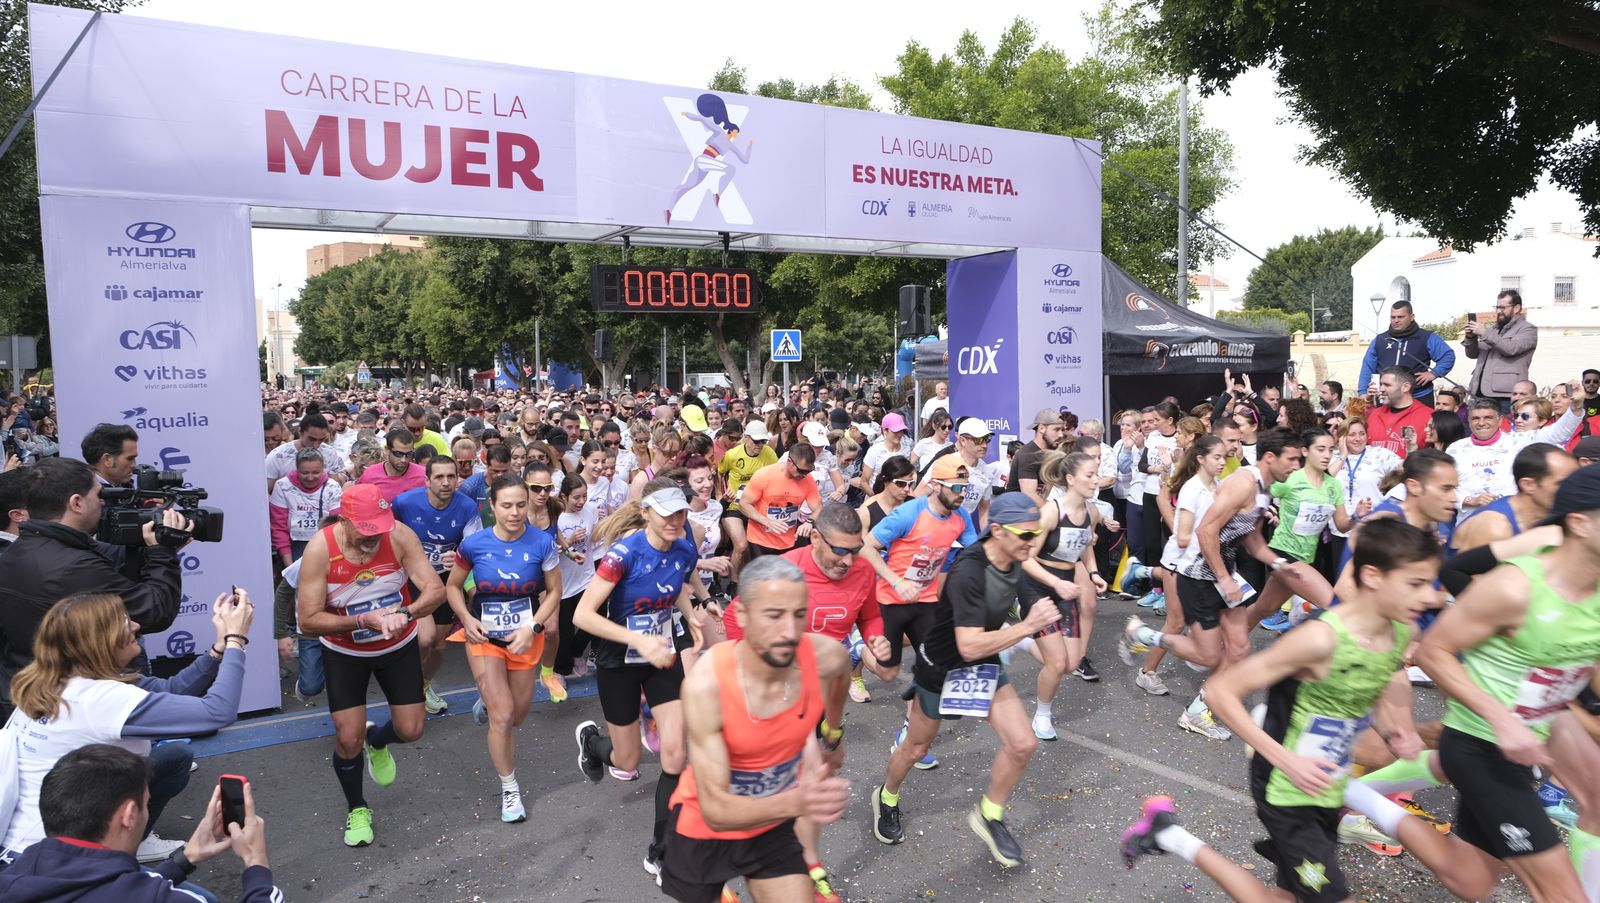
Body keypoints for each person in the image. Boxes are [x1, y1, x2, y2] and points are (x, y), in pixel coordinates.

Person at [1120, 520, 1479, 903]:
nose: (1430, 597)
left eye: (1431, 583)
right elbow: (1222, 692)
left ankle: (1166, 834)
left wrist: (1397, 731)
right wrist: (1287, 760)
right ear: (1373, 576)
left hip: (1326, 783)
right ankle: (1167, 834)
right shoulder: (1319, 639)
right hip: (1286, 786)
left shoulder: (1400, 632)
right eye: (1416, 584)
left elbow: (1380, 684)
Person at [1356, 466, 1600, 901]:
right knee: (1562, 895)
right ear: (1580, 523)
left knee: (1470, 881)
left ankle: (1355, 793)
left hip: (1538, 732)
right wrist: (1501, 721)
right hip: (1482, 743)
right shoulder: (1516, 587)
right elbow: (1433, 651)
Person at [869, 493, 1060, 868]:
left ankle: (990, 814)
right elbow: (968, 645)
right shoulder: (969, 571)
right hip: (942, 666)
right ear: (999, 532)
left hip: (982, 660)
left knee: (1022, 743)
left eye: (1036, 533)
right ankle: (886, 797)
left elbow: (1000, 613)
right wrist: (1027, 627)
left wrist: (1041, 633)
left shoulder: (1013, 556)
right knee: (916, 749)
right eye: (1025, 534)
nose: (1032, 541)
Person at [1, 590, 252, 866]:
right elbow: (217, 712)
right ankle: (114, 861)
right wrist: (236, 640)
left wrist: (218, 649)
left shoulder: (57, 679)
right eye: (124, 622)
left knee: (174, 758)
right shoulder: (102, 699)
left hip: (25, 841)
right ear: (101, 642)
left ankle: (133, 843)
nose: (136, 625)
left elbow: (173, 690)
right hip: (51, 860)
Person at [712, 530, 881, 903]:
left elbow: (868, 620)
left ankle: (808, 867)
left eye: (855, 551)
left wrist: (833, 735)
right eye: (840, 550)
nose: (848, 560)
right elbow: (735, 615)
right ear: (818, 539)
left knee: (810, 781)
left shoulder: (862, 574)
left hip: (807, 692)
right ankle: (717, 875)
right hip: (764, 690)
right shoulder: (785, 570)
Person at [1119, 428, 1307, 741]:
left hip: (1224, 573)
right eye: (1292, 459)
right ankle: (1143, 634)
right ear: (1271, 457)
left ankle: (1197, 710)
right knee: (1207, 655)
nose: (1296, 466)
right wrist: (1222, 577)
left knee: (1239, 648)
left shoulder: (1265, 487)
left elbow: (1253, 538)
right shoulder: (1243, 483)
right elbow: (1206, 532)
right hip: (1199, 574)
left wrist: (1277, 563)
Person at [573, 479, 712, 887]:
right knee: (628, 761)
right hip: (619, 659)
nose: (675, 521)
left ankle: (661, 851)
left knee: (675, 754)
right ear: (647, 513)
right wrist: (637, 639)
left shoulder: (685, 547)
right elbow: (583, 616)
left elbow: (678, 586)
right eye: (667, 514)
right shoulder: (623, 555)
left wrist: (693, 615)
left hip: (661, 657)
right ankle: (593, 745)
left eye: (681, 514)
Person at [293, 483, 446, 847]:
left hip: (397, 644)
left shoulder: (399, 536)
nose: (373, 539)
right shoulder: (320, 549)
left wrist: (404, 612)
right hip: (346, 652)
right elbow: (309, 620)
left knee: (411, 731)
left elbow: (434, 590)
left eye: (379, 529)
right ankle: (357, 807)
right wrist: (364, 621)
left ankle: (377, 740)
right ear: (343, 520)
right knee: (347, 736)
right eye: (365, 531)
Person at [0, 458, 190, 716]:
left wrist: (151, 545)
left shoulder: (19, 551)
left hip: (32, 693)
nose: (102, 501)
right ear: (76, 503)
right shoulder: (73, 567)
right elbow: (154, 611)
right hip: (74, 706)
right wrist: (162, 553)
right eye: (99, 494)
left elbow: (104, 558)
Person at [0, 744, 278, 902]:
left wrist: (186, 858)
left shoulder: (15, 875)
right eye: (147, 803)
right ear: (129, 815)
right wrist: (257, 864)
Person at [446, 475, 562, 824]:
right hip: (484, 638)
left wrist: (533, 627)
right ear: (492, 506)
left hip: (525, 638)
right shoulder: (475, 545)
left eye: (521, 505)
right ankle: (510, 788)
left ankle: (489, 698)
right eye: (507, 505)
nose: (515, 513)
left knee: (518, 715)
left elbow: (554, 592)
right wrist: (466, 619)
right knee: (502, 716)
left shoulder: (542, 543)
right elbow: (453, 586)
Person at [1018, 451, 1108, 738]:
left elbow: (1085, 546)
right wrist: (1055, 584)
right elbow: (1026, 558)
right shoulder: (1052, 511)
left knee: (1070, 664)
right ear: (1071, 479)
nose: (1095, 481)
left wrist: (1094, 574)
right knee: (1056, 663)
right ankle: (1041, 715)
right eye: (1089, 475)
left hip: (1067, 583)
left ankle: (1018, 641)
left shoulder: (1092, 512)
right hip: (1038, 584)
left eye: (1097, 474)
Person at [391, 456, 482, 716]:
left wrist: (460, 557)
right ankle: (405, 684)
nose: (446, 482)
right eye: (439, 477)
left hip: (445, 579)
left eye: (451, 477)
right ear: (427, 480)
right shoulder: (405, 503)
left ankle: (421, 687)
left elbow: (473, 547)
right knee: (426, 637)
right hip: (413, 579)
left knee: (439, 645)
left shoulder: (467, 507)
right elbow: (387, 536)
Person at [1446, 394, 1582, 518]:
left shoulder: (1518, 440)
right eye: (1475, 418)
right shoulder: (1455, 449)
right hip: (1470, 526)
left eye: (1488, 418)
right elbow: (1445, 488)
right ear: (1469, 421)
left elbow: (1558, 433)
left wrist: (1576, 406)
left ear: (1499, 421)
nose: (1481, 423)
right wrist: (1471, 500)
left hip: (1512, 523)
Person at [1358, 299, 1455, 404]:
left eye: (1400, 317)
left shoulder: (1427, 337)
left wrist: (1433, 373)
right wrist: (1363, 392)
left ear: (1411, 317)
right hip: (1386, 398)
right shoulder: (1380, 339)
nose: (1396, 320)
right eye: (1393, 317)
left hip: (1419, 396)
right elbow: (1368, 366)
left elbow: (1448, 356)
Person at [739, 444, 823, 558]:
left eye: (809, 471)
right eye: (801, 470)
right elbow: (743, 504)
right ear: (789, 461)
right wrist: (766, 521)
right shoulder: (764, 475)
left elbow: (818, 508)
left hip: (789, 541)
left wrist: (810, 522)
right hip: (761, 541)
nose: (804, 475)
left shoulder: (808, 480)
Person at [1465, 289, 1538, 415]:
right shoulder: (1493, 329)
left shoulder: (1528, 329)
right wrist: (1471, 338)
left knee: (1504, 431)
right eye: (1497, 307)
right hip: (1479, 392)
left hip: (1504, 396)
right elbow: (1472, 354)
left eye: (1503, 307)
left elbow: (1511, 349)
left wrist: (1485, 333)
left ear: (1516, 308)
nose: (1498, 311)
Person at [269, 446, 344, 568]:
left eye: (316, 472)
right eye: (304, 473)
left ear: (323, 469)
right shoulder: (282, 486)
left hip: (325, 545)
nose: (310, 478)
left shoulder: (333, 487)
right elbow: (279, 528)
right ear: (297, 469)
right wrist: (289, 567)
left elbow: (337, 526)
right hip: (293, 547)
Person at [263, 412, 347, 492]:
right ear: (300, 432)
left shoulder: (330, 453)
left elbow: (335, 485)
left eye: (321, 440)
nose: (316, 445)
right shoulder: (278, 455)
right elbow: (267, 489)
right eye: (312, 439)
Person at [1364, 366, 1434, 458]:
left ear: (1405, 387)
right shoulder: (1374, 415)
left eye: (1387, 385)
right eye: (1381, 384)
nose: (1381, 389)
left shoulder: (1429, 417)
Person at [355, 428, 424, 503]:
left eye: (409, 454)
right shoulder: (370, 474)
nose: (403, 460)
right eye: (398, 454)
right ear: (387, 450)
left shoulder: (423, 475)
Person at [80, 423, 139, 487]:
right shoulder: (83, 492)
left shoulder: (128, 488)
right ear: (107, 460)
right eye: (129, 459)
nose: (134, 465)